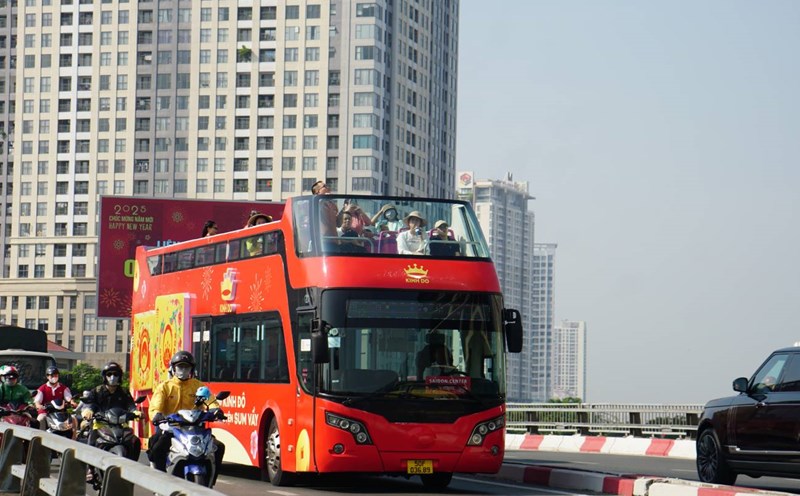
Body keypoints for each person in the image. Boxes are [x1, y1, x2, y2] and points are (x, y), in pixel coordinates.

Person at [148, 351, 225, 484]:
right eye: (180, 366)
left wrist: (216, 410)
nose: (183, 370)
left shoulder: (199, 386)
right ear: (173, 368)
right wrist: (157, 415)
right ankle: (159, 481)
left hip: (196, 430)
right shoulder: (164, 387)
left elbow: (211, 401)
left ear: (192, 369)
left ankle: (210, 483)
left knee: (219, 447)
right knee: (157, 447)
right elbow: (155, 407)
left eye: (186, 367)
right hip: (171, 430)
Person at [82, 362, 140, 479]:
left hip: (121, 425)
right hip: (101, 424)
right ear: (104, 376)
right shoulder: (97, 390)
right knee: (91, 440)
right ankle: (90, 469)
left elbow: (131, 405)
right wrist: (88, 410)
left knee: (135, 441)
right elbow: (90, 403)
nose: (112, 377)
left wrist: (136, 412)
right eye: (109, 374)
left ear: (120, 376)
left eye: (115, 374)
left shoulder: (124, 392)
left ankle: (133, 469)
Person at [34, 365, 75, 431]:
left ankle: (74, 437)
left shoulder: (63, 388)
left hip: (61, 412)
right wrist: (39, 406)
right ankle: (41, 436)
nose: (54, 377)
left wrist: (72, 402)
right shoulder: (42, 388)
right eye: (52, 375)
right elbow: (37, 402)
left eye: (56, 375)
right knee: (41, 419)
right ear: (47, 376)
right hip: (46, 412)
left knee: (73, 419)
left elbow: (69, 398)